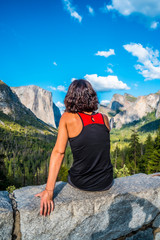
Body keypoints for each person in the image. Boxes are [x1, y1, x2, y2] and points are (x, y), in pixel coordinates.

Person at [35, 79, 114, 216]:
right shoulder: (104, 118)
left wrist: (49, 190)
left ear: (71, 97)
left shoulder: (67, 117)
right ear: (92, 96)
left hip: (83, 182)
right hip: (106, 181)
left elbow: (59, 153)